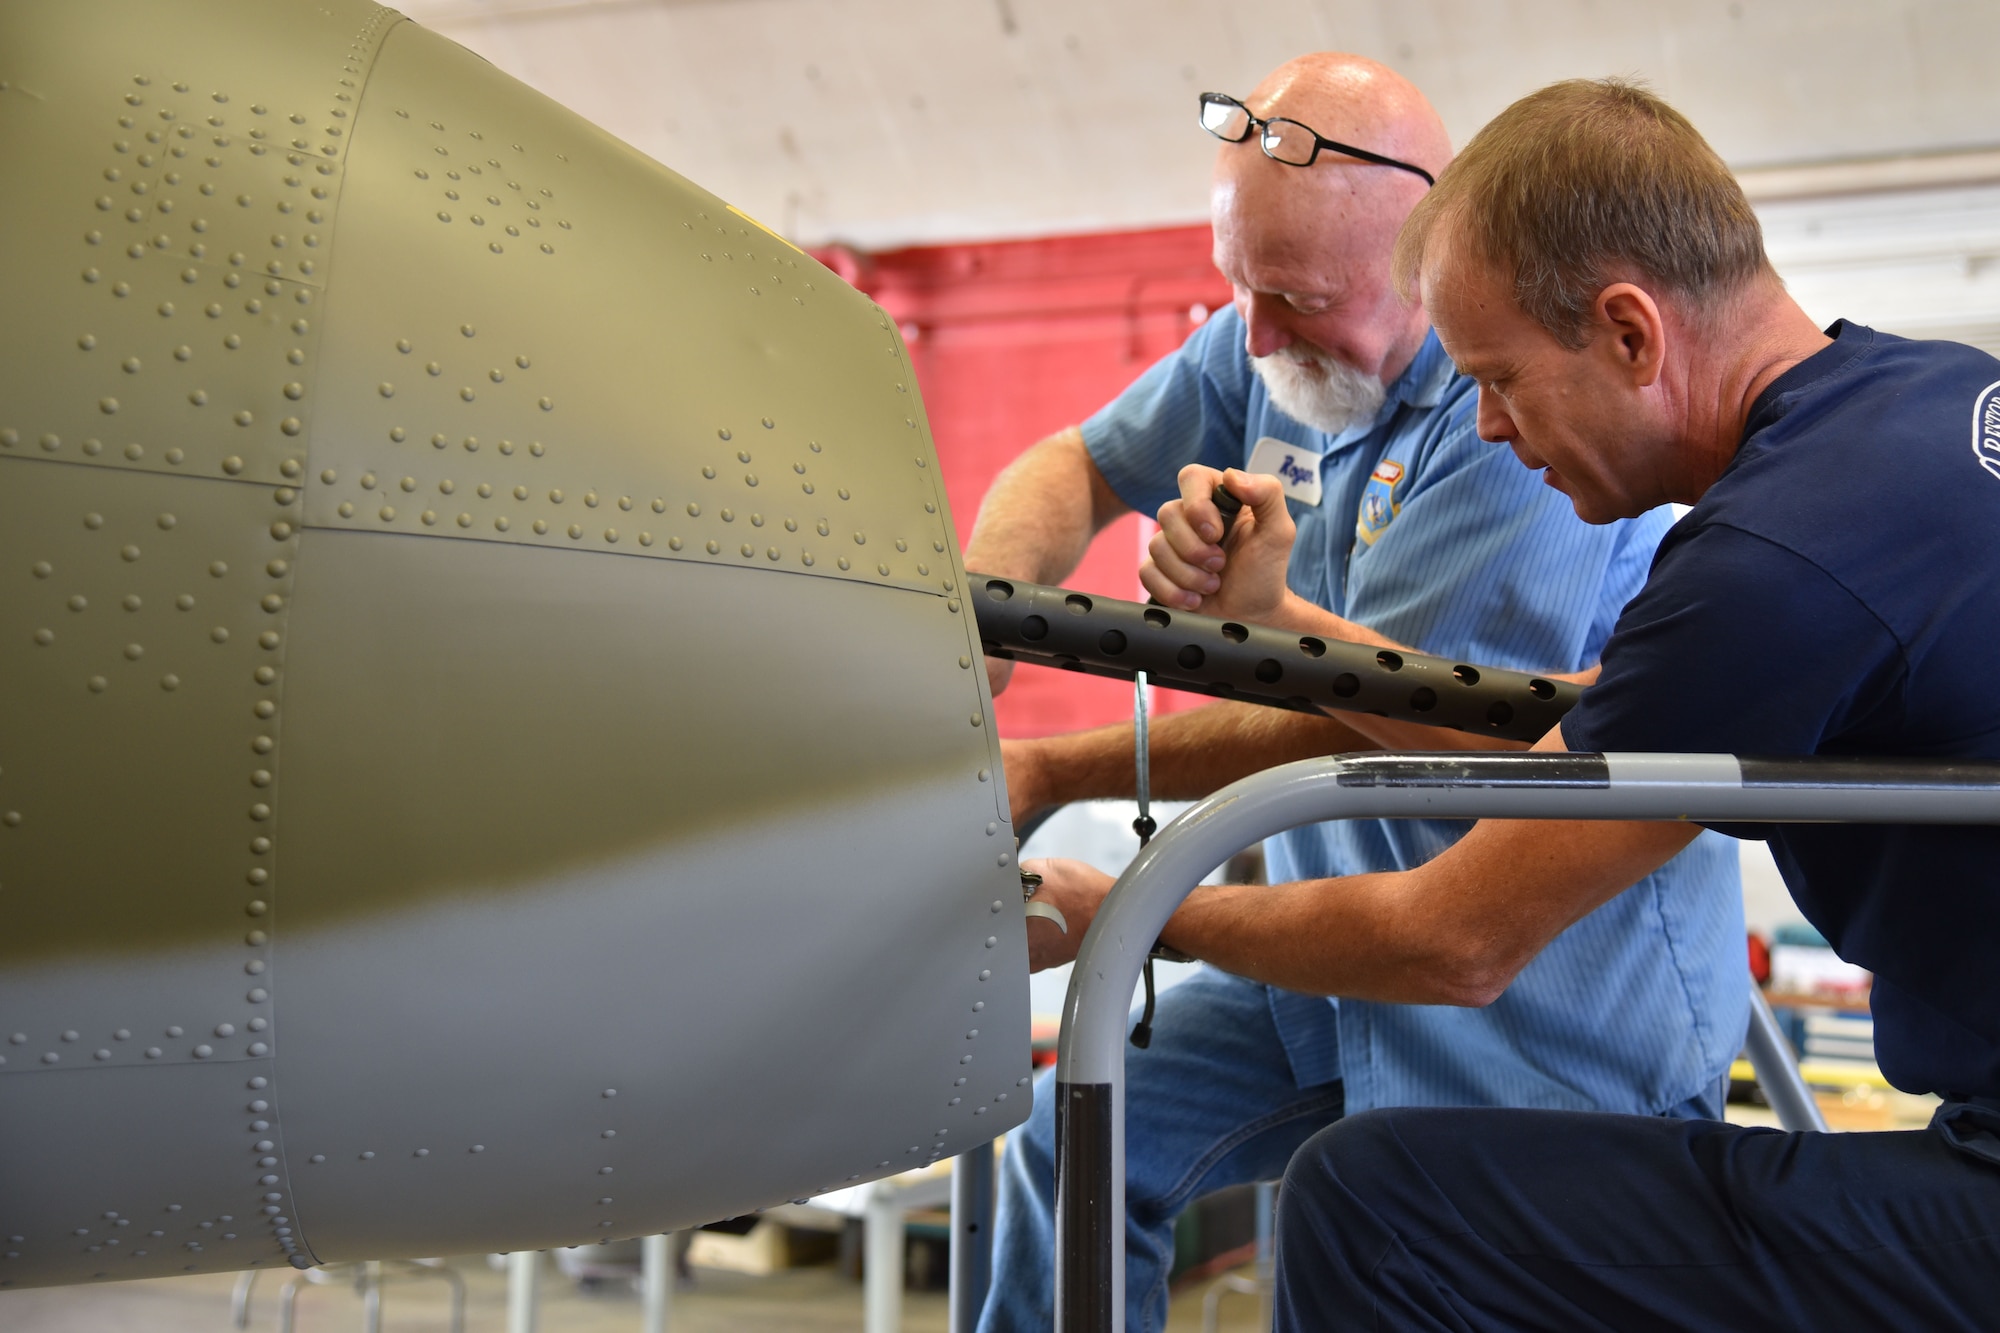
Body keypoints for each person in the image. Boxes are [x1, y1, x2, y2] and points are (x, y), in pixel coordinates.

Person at [1078, 77, 2000, 1327]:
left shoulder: (1764, 567)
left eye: (1500, 379)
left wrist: (1126, 916)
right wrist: (1284, 628)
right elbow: (1574, 729)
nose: (1495, 429)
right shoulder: (1931, 399)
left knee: (1376, 1201)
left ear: (1629, 332)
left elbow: (1449, 939)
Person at [966, 55, 1746, 1333]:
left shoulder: (1507, 426)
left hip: (1539, 1004)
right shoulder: (1265, 342)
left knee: (1372, 1250)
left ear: (1424, 258)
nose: (1253, 335)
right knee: (1078, 1129)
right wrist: (986, 621)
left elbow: (1357, 715)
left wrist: (1055, 768)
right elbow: (1078, 462)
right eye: (1240, 288)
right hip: (1327, 981)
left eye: (1296, 297)